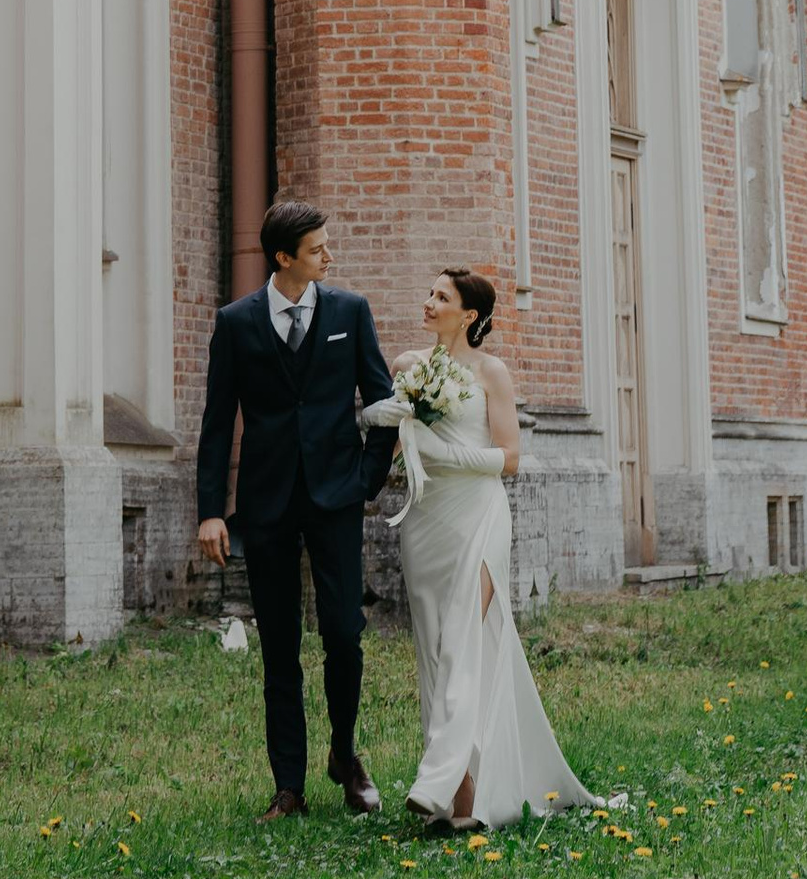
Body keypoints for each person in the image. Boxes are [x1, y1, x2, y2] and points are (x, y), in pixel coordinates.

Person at [365, 266, 593, 831]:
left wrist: (448, 456)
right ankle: (461, 803)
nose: (428, 301)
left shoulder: (492, 372)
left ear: (469, 315)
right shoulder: (410, 368)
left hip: (480, 516)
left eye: (441, 296)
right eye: (430, 291)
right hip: (427, 520)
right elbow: (393, 439)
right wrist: (389, 426)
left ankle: (436, 778)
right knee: (436, 646)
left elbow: (510, 458)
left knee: (464, 639)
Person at [195, 198, 396, 820]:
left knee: (343, 633)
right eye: (316, 250)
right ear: (284, 259)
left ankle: (344, 753)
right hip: (267, 503)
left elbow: (384, 401)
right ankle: (289, 785)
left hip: (336, 496)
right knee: (279, 646)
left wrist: (366, 478)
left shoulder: (349, 311)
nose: (328, 257)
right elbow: (216, 420)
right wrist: (210, 510)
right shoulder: (236, 322)